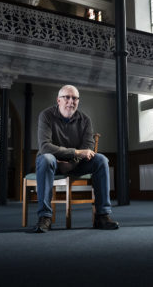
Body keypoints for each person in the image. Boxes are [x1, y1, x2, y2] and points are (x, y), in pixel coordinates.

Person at [33, 85, 119, 232]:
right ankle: (45, 217)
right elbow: (46, 147)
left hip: (75, 164)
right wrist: (76, 153)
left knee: (101, 160)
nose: (70, 101)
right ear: (58, 100)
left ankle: (102, 216)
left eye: (74, 98)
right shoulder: (46, 115)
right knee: (47, 158)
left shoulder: (85, 120)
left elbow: (88, 149)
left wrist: (71, 164)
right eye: (67, 97)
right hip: (51, 162)